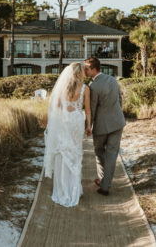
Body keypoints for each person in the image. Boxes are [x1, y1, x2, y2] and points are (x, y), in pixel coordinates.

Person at [44, 62, 91, 207]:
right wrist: (88, 125)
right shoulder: (85, 88)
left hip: (64, 122)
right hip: (77, 122)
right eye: (84, 70)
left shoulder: (62, 87)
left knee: (62, 154)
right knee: (75, 154)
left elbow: (56, 107)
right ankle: (74, 189)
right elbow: (88, 110)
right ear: (80, 73)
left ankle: (62, 188)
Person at [84, 57, 126, 196]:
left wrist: (88, 126)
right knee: (112, 154)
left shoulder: (93, 86)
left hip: (102, 126)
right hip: (118, 122)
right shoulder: (113, 80)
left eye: (86, 68)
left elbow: (92, 109)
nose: (85, 70)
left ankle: (104, 183)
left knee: (99, 152)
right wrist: (118, 115)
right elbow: (120, 100)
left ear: (93, 69)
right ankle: (104, 182)